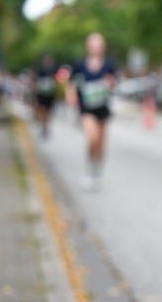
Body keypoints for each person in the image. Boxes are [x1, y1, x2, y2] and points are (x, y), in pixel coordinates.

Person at [66, 33, 118, 190]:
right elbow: (71, 84)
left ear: (103, 47)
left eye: (98, 45)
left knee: (101, 143)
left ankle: (97, 170)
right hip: (86, 108)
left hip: (103, 108)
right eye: (93, 44)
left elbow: (114, 82)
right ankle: (90, 169)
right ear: (88, 46)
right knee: (92, 138)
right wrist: (71, 96)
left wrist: (109, 84)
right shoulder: (80, 64)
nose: (96, 47)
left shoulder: (109, 65)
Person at [33, 54, 58, 139]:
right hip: (42, 94)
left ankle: (46, 126)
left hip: (50, 94)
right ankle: (43, 125)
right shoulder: (40, 69)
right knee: (42, 110)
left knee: (48, 111)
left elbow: (56, 80)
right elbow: (36, 80)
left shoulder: (53, 69)